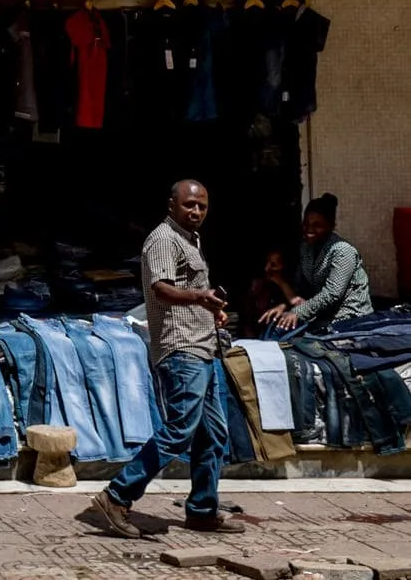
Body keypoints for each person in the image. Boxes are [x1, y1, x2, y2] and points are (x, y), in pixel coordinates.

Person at [84, 180, 244, 539]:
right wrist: (200, 297)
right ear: (172, 205)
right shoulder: (162, 239)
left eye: (202, 206)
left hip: (203, 347)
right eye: (189, 205)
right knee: (179, 430)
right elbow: (161, 288)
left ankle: (202, 510)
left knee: (212, 435)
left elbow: (189, 293)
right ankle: (117, 496)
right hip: (181, 349)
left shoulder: (191, 240)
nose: (196, 212)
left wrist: (210, 310)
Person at [259, 193, 373, 334]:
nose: (309, 230)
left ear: (331, 226)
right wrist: (284, 306)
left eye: (317, 225)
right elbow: (301, 290)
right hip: (320, 316)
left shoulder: (343, 251)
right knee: (276, 329)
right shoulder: (306, 248)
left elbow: (332, 294)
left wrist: (298, 312)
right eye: (306, 225)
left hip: (349, 318)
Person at [248, 248, 298, 331]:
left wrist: (281, 283)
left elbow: (297, 304)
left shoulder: (295, 285)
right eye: (266, 263)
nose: (267, 269)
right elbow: (248, 320)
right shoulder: (259, 286)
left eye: (273, 265)